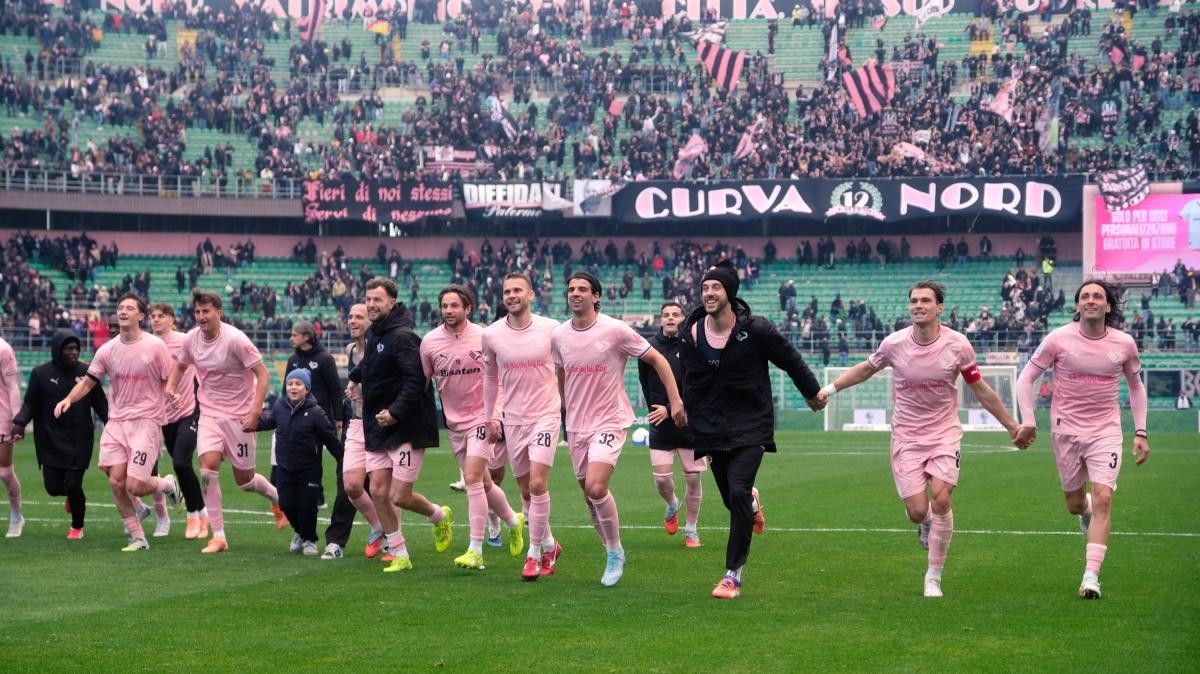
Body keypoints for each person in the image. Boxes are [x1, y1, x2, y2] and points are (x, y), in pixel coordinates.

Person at [816, 282, 1021, 598]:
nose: (918, 305)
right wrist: (829, 390)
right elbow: (865, 370)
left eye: (926, 300)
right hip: (907, 436)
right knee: (916, 511)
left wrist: (1011, 426)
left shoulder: (959, 345)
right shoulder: (894, 343)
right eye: (913, 301)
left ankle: (933, 577)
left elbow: (980, 389)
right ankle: (925, 524)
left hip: (944, 434)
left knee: (942, 498)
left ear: (939, 307)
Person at [678, 260, 823, 599]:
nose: (709, 293)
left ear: (730, 292)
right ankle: (753, 507)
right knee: (734, 500)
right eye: (704, 288)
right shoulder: (691, 334)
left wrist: (812, 392)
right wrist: (682, 404)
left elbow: (790, 359)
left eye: (716, 287)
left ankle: (732, 574)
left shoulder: (756, 329)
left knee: (738, 489)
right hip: (711, 428)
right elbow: (690, 378)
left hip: (751, 424)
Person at [1015, 279, 1150, 599]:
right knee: (1076, 504)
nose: (1091, 300)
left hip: (1106, 432)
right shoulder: (1057, 339)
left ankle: (1091, 577)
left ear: (1108, 306)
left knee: (1104, 497)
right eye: (1085, 296)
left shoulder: (1124, 343)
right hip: (1066, 431)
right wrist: (1029, 420)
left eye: (1098, 296)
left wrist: (1141, 431)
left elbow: (1136, 386)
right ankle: (1084, 511)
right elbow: (1026, 378)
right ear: (1077, 305)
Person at [553, 272, 686, 586]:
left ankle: (614, 552)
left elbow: (658, 360)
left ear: (596, 296)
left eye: (582, 289)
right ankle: (610, 546)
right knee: (589, 495)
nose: (575, 294)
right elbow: (561, 373)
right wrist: (564, 406)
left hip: (610, 419)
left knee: (597, 488)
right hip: (576, 425)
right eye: (571, 289)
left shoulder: (614, 330)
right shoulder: (559, 336)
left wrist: (676, 399)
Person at [54, 294, 182, 551]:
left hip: (146, 421)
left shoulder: (155, 346)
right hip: (117, 422)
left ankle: (167, 483)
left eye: (129, 308)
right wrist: (68, 399)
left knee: (134, 484)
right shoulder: (107, 350)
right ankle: (138, 538)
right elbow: (89, 382)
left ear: (141, 316)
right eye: (121, 307)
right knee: (115, 482)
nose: (123, 311)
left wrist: (171, 391)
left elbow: (171, 375)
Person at [165, 291, 285, 554]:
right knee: (207, 468)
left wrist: (255, 412)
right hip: (208, 414)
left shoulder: (235, 340)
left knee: (245, 480)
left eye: (206, 311)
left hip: (239, 416)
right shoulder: (191, 340)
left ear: (218, 312)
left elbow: (262, 375)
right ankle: (218, 536)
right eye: (197, 312)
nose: (201, 317)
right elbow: (180, 366)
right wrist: (171, 388)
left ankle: (277, 499)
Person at [346, 278, 450, 574]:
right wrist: (355, 376)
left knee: (398, 496)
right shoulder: (377, 333)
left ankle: (438, 516)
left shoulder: (403, 336)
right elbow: (372, 364)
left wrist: (394, 413)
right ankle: (399, 551)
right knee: (377, 491)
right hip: (378, 426)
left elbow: (416, 381)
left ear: (392, 302)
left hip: (405, 426)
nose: (371, 305)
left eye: (377, 300)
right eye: (368, 299)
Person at [420, 285, 525, 571]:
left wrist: (495, 416)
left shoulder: (485, 337)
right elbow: (421, 383)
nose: (448, 311)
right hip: (454, 424)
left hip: (483, 417)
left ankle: (475, 548)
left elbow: (501, 380)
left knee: (473, 478)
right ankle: (514, 522)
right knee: (485, 483)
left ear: (468, 309)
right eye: (444, 306)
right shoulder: (429, 342)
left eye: (454, 306)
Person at [482, 272, 563, 580]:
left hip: (545, 414)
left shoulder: (551, 329)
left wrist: (564, 399)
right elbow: (490, 378)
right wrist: (491, 416)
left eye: (518, 290)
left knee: (538, 484)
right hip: (512, 419)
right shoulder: (491, 335)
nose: (511, 295)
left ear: (531, 294)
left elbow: (565, 364)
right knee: (526, 492)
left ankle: (533, 554)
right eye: (507, 291)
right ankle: (550, 545)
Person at [11, 330, 109, 540]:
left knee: (73, 485)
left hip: (80, 440)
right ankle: (73, 498)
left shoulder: (87, 373)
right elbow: (30, 404)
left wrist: (112, 425)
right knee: (53, 488)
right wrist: (19, 424)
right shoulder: (40, 374)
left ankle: (77, 527)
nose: (73, 352)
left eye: (76, 348)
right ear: (57, 350)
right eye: (68, 349)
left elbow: (101, 404)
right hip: (50, 440)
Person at [284, 320, 354, 560]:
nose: (291, 337)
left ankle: (325, 496)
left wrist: (337, 418)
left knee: (320, 461)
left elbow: (336, 390)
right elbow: (286, 389)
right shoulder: (293, 360)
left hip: (320, 418)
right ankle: (302, 529)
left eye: (295, 334)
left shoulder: (324, 359)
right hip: (297, 420)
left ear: (307, 336)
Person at [638, 301, 705, 549]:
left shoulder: (693, 346)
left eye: (675, 314)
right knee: (662, 480)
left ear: (683, 319)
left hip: (690, 422)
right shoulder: (649, 347)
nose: (670, 318)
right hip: (661, 424)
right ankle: (672, 504)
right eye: (666, 315)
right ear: (660, 319)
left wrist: (675, 408)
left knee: (693, 479)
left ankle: (691, 528)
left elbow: (699, 384)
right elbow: (645, 382)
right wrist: (656, 408)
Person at [258, 370, 343, 557]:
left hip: (309, 469)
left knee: (307, 506)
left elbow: (330, 439)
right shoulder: (280, 407)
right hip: (284, 467)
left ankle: (309, 539)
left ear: (307, 388)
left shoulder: (316, 413)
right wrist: (249, 422)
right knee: (286, 505)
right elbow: (267, 421)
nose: (293, 387)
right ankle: (300, 532)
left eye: (298, 384)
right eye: (290, 383)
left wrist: (343, 461)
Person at [338, 303, 392, 560]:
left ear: (370, 322)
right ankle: (377, 526)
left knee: (385, 488)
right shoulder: (350, 350)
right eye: (350, 316)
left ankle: (394, 541)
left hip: (380, 423)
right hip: (357, 424)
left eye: (358, 316)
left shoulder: (381, 349)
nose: (352, 321)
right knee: (351, 485)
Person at [149, 304, 207, 539]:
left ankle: (196, 516)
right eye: (152, 316)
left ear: (172, 319)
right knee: (181, 466)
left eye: (161, 316)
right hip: (164, 416)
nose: (156, 320)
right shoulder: (149, 345)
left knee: (181, 463)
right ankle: (200, 513)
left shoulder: (185, 341)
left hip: (189, 411)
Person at [0, 333, 23, 537]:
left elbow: (13, 386)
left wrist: (18, 420)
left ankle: (16, 515)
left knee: (5, 473)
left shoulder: (4, 350)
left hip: (2, 417)